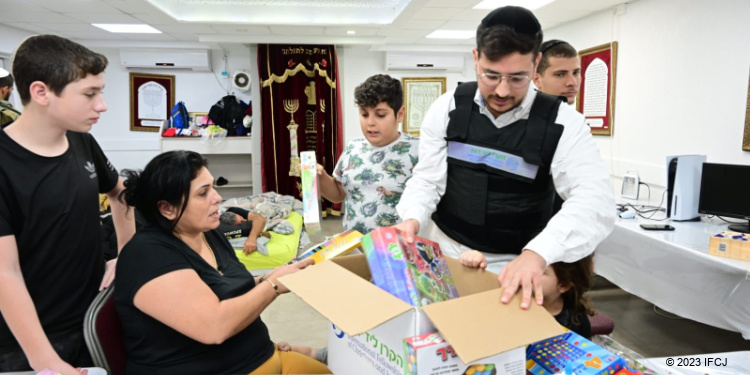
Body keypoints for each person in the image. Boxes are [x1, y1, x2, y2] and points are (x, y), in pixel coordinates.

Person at [395, 6, 615, 310]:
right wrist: (411, 217)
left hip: (514, 266)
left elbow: (595, 201)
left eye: (517, 78)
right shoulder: (447, 108)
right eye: (491, 75)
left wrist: (537, 255)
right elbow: (427, 179)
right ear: (475, 58)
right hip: (444, 252)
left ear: (536, 63)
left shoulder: (564, 123)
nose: (502, 90)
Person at [114, 150, 330, 375]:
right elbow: (214, 327)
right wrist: (273, 285)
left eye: (213, 187)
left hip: (261, 357)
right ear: (167, 208)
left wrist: (275, 276)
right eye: (203, 193)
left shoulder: (207, 232)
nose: (217, 198)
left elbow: (226, 287)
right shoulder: (148, 255)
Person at [0, 35, 135, 374]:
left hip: (92, 319)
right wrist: (43, 359)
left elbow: (121, 194)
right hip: (28, 342)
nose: (102, 105)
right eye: (90, 94)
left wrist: (126, 253)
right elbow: (5, 273)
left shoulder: (81, 142)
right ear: (41, 92)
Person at [316, 74, 419, 234]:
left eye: (380, 115)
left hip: (395, 249)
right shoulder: (353, 148)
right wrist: (320, 176)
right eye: (364, 114)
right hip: (353, 246)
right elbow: (338, 195)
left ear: (399, 114)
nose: (370, 122)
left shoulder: (417, 150)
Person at [460, 251, 594, 338]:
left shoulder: (576, 320)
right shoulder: (511, 297)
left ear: (563, 285)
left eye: (541, 271)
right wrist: (475, 264)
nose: (526, 272)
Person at [533, 39, 581, 105]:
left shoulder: (575, 115)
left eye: (575, 73)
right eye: (560, 75)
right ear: (537, 80)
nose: (573, 83)